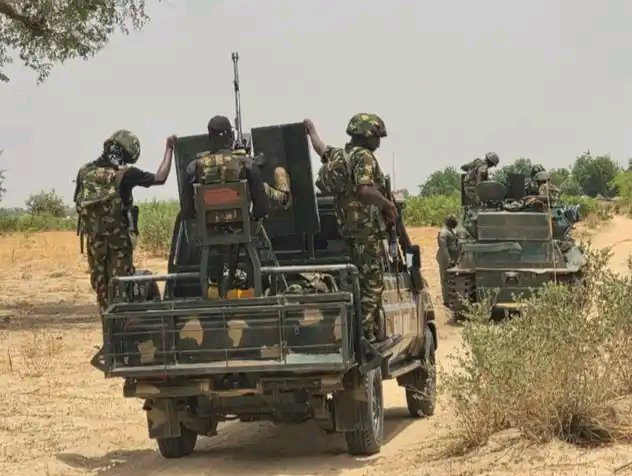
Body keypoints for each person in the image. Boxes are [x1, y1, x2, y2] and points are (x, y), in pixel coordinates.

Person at [304, 113, 400, 351]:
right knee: (373, 284)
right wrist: (387, 205)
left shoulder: (340, 155)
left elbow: (320, 148)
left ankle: (368, 333)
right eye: (377, 137)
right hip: (366, 231)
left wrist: (311, 131)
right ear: (366, 135)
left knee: (359, 283)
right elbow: (365, 190)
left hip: (348, 230)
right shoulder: (364, 157)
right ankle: (367, 339)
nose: (379, 142)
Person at [74, 130, 175, 314]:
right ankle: (122, 328)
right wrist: (169, 149)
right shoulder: (125, 174)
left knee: (102, 290)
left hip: (94, 244)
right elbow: (160, 178)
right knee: (121, 289)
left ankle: (108, 329)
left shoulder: (84, 172)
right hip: (118, 244)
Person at [181, 115, 291, 220]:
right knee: (265, 187)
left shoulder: (194, 166)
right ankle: (284, 196)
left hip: (207, 229)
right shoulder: (246, 164)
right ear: (231, 136)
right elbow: (261, 207)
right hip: (242, 227)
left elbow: (186, 210)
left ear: (210, 138)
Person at [436, 215, 459, 307]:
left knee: (451, 278)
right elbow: (443, 248)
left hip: (451, 258)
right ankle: (446, 300)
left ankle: (452, 298)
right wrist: (448, 260)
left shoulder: (450, 231)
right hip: (445, 258)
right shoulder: (444, 233)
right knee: (445, 279)